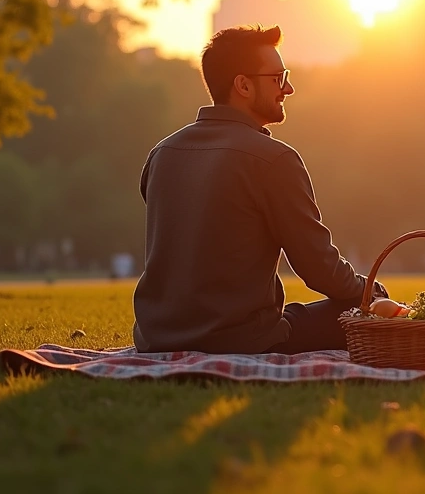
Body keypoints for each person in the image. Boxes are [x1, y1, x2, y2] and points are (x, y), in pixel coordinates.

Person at [131, 24, 384, 354]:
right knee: (368, 309)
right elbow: (319, 269)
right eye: (278, 78)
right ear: (243, 85)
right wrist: (371, 293)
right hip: (239, 340)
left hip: (156, 337)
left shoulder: (161, 153)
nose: (288, 88)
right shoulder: (274, 160)